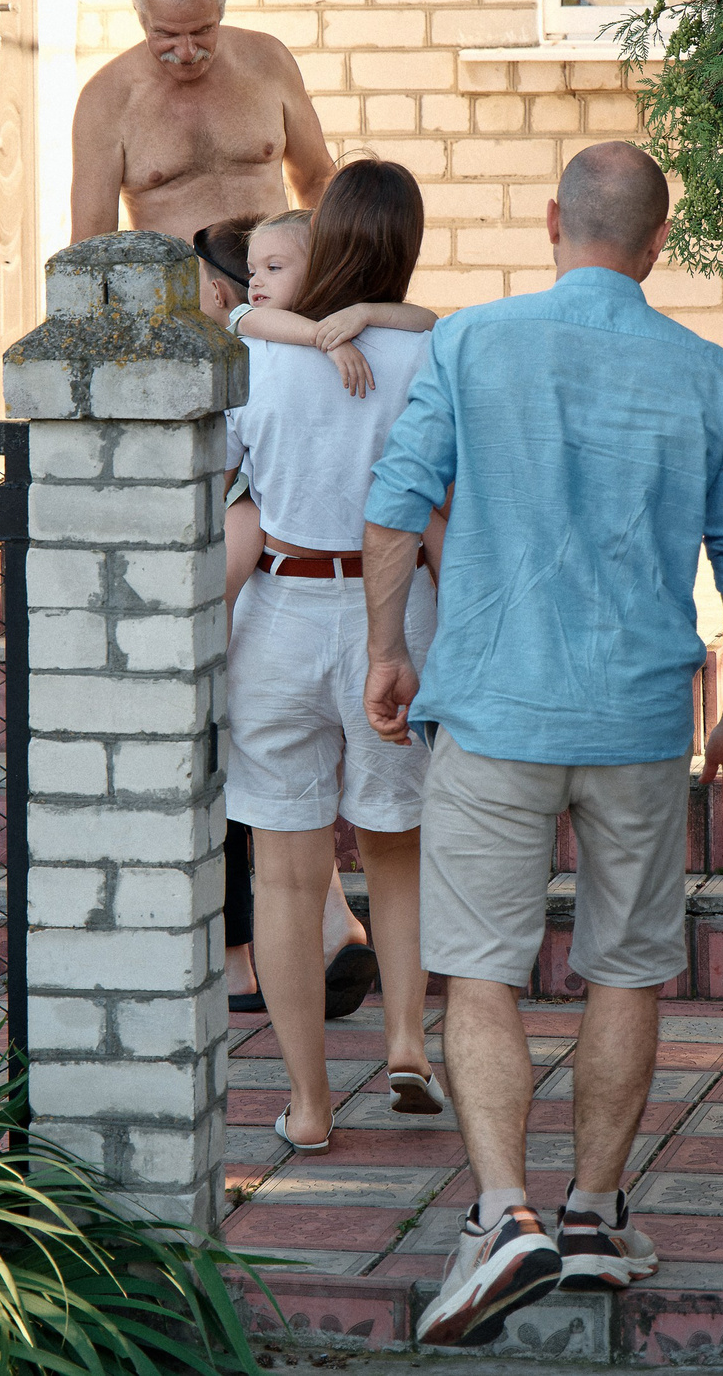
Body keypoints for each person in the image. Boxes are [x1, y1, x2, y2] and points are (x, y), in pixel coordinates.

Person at [359, 142, 723, 1347]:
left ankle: (504, 1215)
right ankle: (591, 1214)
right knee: (625, 964)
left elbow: (396, 501)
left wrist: (388, 645)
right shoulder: (712, 376)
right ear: (656, 245)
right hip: (640, 718)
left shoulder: (469, 343)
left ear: (553, 222)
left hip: (493, 705)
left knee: (480, 968)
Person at [225, 163, 449, 1155]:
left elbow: (231, 482)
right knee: (394, 849)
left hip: (280, 603)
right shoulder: (430, 352)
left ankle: (309, 1103)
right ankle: (406, 1042)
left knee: (284, 872)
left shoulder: (256, 353)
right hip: (393, 611)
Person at [196, 213, 383, 1019]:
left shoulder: (256, 371)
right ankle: (340, 932)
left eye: (277, 265)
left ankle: (261, 963)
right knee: (309, 826)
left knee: (276, 831)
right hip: (338, 605)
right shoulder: (273, 348)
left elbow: (240, 546)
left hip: (285, 609)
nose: (250, 283)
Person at [71, 0, 334, 242]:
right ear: (141, 17)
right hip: (175, 289)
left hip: (276, 285)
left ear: (220, 11)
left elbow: (317, 180)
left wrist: (329, 279)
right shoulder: (106, 98)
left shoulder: (268, 61)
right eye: (166, 34)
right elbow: (90, 245)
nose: (186, 52)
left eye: (202, 31)